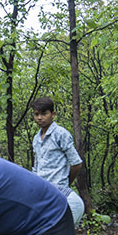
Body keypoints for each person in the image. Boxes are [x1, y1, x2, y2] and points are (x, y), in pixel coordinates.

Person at [30, 97, 85, 227]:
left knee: (59, 228)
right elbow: (37, 167)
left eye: (44, 114)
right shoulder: (36, 139)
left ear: (53, 114)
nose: (39, 118)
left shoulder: (61, 134)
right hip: (42, 193)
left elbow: (76, 163)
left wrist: (66, 183)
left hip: (59, 191)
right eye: (36, 114)